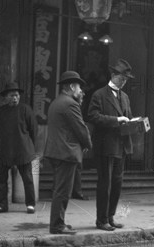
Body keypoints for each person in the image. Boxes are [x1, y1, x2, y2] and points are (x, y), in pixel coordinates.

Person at [88, 58, 134, 231]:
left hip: (120, 146)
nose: (123, 82)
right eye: (121, 78)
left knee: (117, 183)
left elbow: (127, 116)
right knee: (105, 183)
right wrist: (116, 120)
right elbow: (92, 116)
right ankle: (101, 220)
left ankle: (110, 216)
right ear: (113, 75)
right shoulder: (99, 94)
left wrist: (133, 122)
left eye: (126, 80)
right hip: (106, 146)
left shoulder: (125, 97)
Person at [44, 71, 92, 235]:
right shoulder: (70, 103)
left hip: (57, 151)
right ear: (71, 86)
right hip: (66, 153)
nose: (80, 91)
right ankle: (57, 225)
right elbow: (81, 128)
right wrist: (87, 144)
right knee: (63, 191)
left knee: (60, 189)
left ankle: (59, 222)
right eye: (79, 87)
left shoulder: (57, 102)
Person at [0, 82, 37, 214]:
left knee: (27, 178)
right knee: (1, 179)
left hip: (23, 149)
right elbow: (0, 129)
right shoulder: (1, 112)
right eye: (11, 95)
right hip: (6, 149)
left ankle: (30, 204)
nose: (15, 98)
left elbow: (33, 130)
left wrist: (30, 147)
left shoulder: (26, 110)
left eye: (16, 95)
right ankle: (2, 205)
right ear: (6, 97)